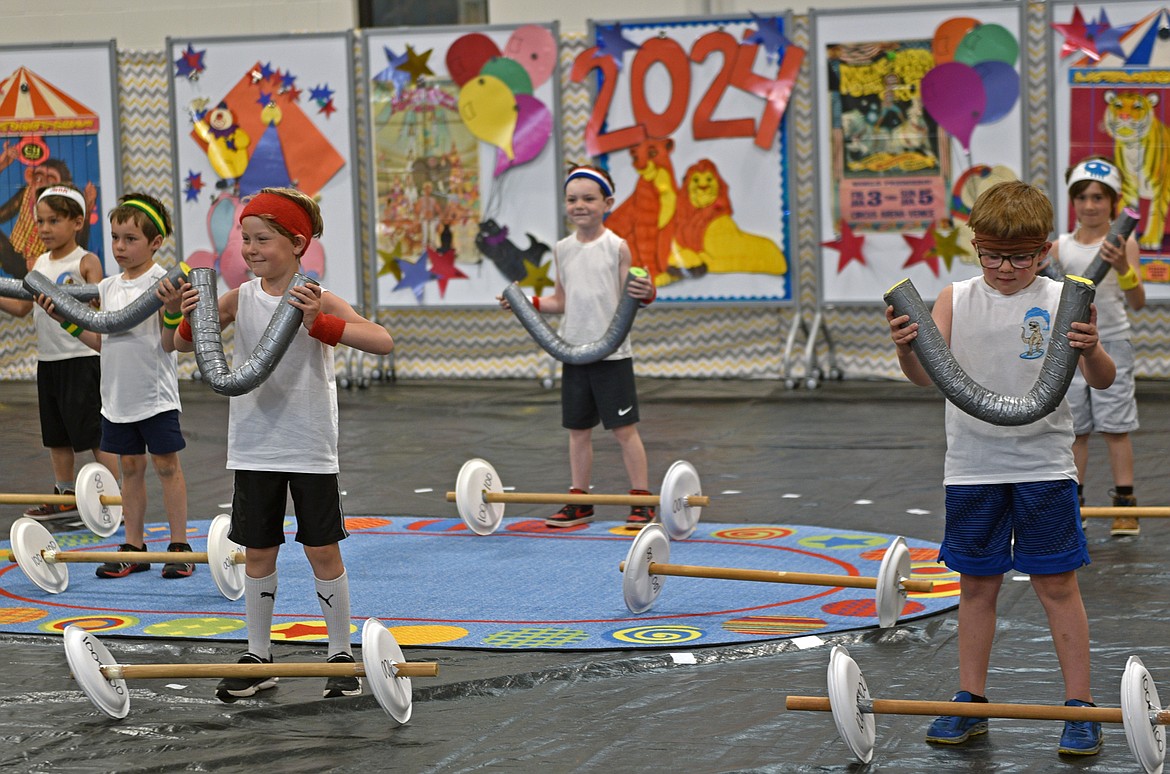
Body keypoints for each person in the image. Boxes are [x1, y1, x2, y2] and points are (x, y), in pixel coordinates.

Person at [886, 181, 1116, 756]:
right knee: (976, 585)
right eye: (993, 255)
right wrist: (906, 350)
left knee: (1058, 583)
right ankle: (970, 700)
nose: (1005, 267)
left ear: (1042, 251)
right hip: (972, 466)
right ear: (975, 246)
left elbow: (1104, 380)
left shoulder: (1064, 298)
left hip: (1044, 462)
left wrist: (1090, 349)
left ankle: (1080, 706)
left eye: (1020, 256)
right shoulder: (954, 298)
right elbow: (926, 379)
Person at [173, 187, 393, 701]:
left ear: (297, 243)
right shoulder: (239, 297)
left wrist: (322, 322)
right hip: (254, 446)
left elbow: (382, 340)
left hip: (310, 443)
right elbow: (180, 344)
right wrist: (188, 315)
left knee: (321, 548)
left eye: (262, 239)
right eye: (244, 239)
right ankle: (259, 656)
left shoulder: (313, 297)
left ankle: (341, 654)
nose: (250, 249)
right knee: (258, 551)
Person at [38, 194, 194, 579]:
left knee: (167, 467)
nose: (120, 247)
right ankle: (134, 546)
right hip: (116, 398)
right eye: (115, 238)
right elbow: (102, 342)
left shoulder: (164, 283)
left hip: (154, 397)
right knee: (130, 470)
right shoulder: (107, 287)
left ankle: (179, 546)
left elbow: (168, 343)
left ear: (155, 243)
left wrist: (172, 310)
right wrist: (67, 320)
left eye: (130, 239)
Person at [500, 165, 657, 529]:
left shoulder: (616, 246)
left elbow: (634, 296)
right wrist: (529, 303)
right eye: (572, 199)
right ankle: (579, 500)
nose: (579, 205)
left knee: (623, 429)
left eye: (588, 198)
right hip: (573, 350)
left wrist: (647, 291)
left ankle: (642, 499)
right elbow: (562, 300)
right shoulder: (563, 249)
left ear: (608, 203)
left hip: (612, 354)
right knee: (577, 430)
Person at [0, 184, 116, 518]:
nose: (45, 228)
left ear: (77, 222)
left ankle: (116, 497)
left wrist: (96, 303)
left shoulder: (86, 261)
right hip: (48, 361)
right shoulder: (37, 263)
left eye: (54, 221)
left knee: (94, 433)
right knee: (57, 435)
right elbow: (24, 309)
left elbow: (101, 308)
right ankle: (65, 496)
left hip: (82, 360)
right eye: (40, 222)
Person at [1050, 157, 1145, 537]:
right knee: (1076, 430)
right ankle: (1076, 504)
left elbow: (1137, 301)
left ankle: (1126, 505)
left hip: (1113, 343)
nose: (1090, 205)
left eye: (1098, 198)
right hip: (1071, 345)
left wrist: (1122, 265)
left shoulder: (1125, 243)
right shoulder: (1059, 248)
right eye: (1082, 197)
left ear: (1113, 202)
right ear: (1072, 201)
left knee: (1117, 427)